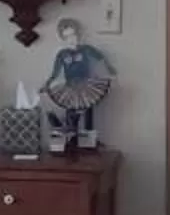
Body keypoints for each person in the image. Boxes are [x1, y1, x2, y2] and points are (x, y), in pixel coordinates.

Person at [41, 17, 116, 152]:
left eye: (73, 34)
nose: (72, 39)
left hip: (86, 85)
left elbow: (100, 58)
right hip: (70, 87)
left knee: (88, 111)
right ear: (63, 38)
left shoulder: (86, 49)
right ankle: (72, 141)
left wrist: (109, 69)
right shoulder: (62, 54)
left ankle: (89, 143)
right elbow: (55, 72)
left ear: (78, 33)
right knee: (71, 112)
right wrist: (47, 84)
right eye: (67, 36)